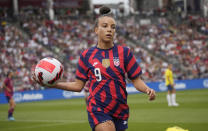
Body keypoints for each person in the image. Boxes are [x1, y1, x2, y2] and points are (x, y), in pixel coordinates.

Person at [33, 6, 156, 131]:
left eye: (113, 27)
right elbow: (78, 86)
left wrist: (147, 90)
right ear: (96, 30)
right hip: (97, 107)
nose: (109, 30)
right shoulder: (86, 55)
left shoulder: (125, 52)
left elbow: (136, 80)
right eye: (105, 26)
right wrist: (53, 85)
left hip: (120, 109)